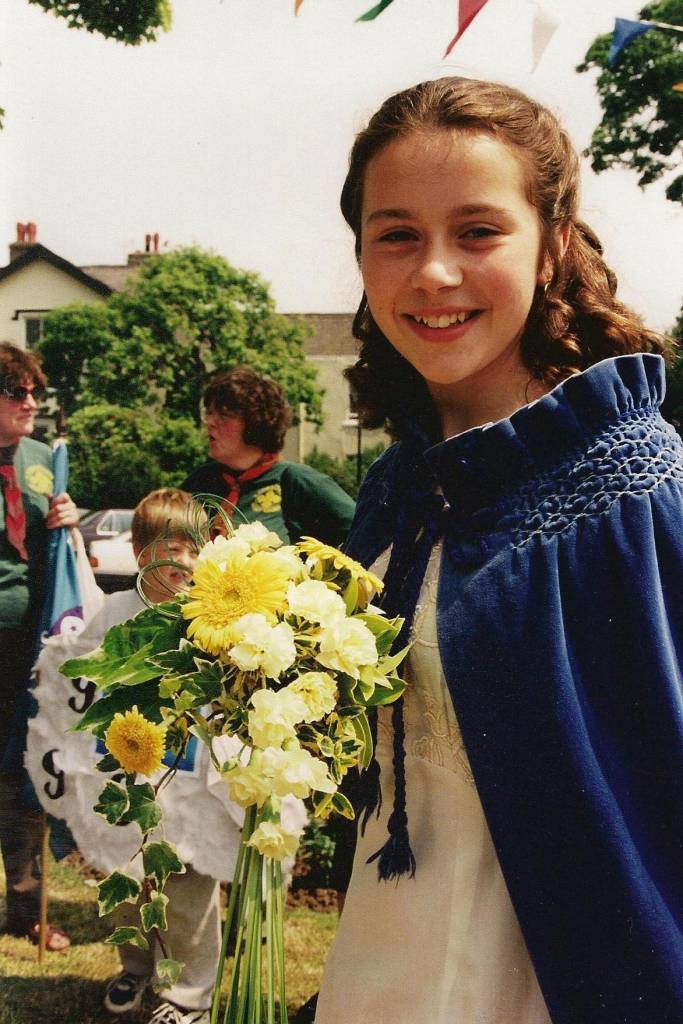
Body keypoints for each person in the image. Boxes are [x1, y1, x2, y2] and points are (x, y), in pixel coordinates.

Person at [313, 77, 683, 1024]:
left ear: (552, 241)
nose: (432, 272)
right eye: (396, 234)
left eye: (477, 231)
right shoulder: (395, 493)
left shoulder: (632, 489)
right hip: (386, 964)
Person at [86, 488, 216, 1024]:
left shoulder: (211, 618)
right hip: (125, 782)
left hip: (188, 785)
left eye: (195, 548)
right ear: (143, 556)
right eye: (174, 548)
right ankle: (137, 964)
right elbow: (84, 684)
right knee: (126, 886)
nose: (186, 560)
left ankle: (188, 996)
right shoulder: (112, 613)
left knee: (185, 897)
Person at [0, 341, 78, 951]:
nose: (31, 402)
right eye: (16, 392)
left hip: (29, 643)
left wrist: (70, 519)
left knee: (23, 771)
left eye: (33, 391)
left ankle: (26, 910)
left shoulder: (41, 458)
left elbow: (58, 545)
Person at [182, 366, 355, 547]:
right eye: (209, 413)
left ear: (254, 422)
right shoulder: (199, 482)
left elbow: (363, 532)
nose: (210, 423)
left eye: (224, 415)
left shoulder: (296, 480)